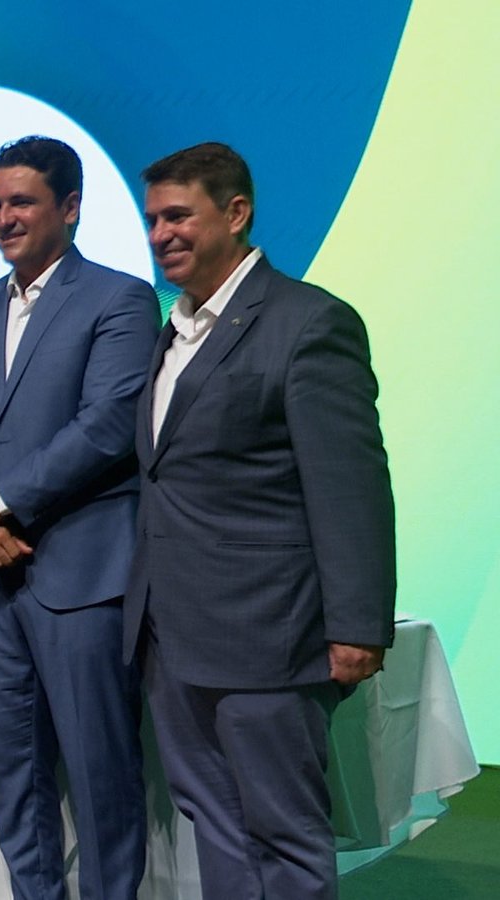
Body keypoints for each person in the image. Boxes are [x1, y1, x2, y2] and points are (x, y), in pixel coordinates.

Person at [125, 142, 396, 900]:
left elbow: (350, 489)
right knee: (215, 824)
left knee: (284, 833)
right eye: (152, 219)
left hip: (269, 635)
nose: (160, 234)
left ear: (236, 214)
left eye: (179, 215)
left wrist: (356, 625)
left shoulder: (311, 324)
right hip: (171, 637)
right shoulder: (169, 333)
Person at [0, 136, 157, 899]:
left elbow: (107, 423)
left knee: (102, 775)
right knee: (14, 775)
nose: (2, 218)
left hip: (83, 575)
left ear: (69, 207)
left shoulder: (120, 298)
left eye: (20, 202)